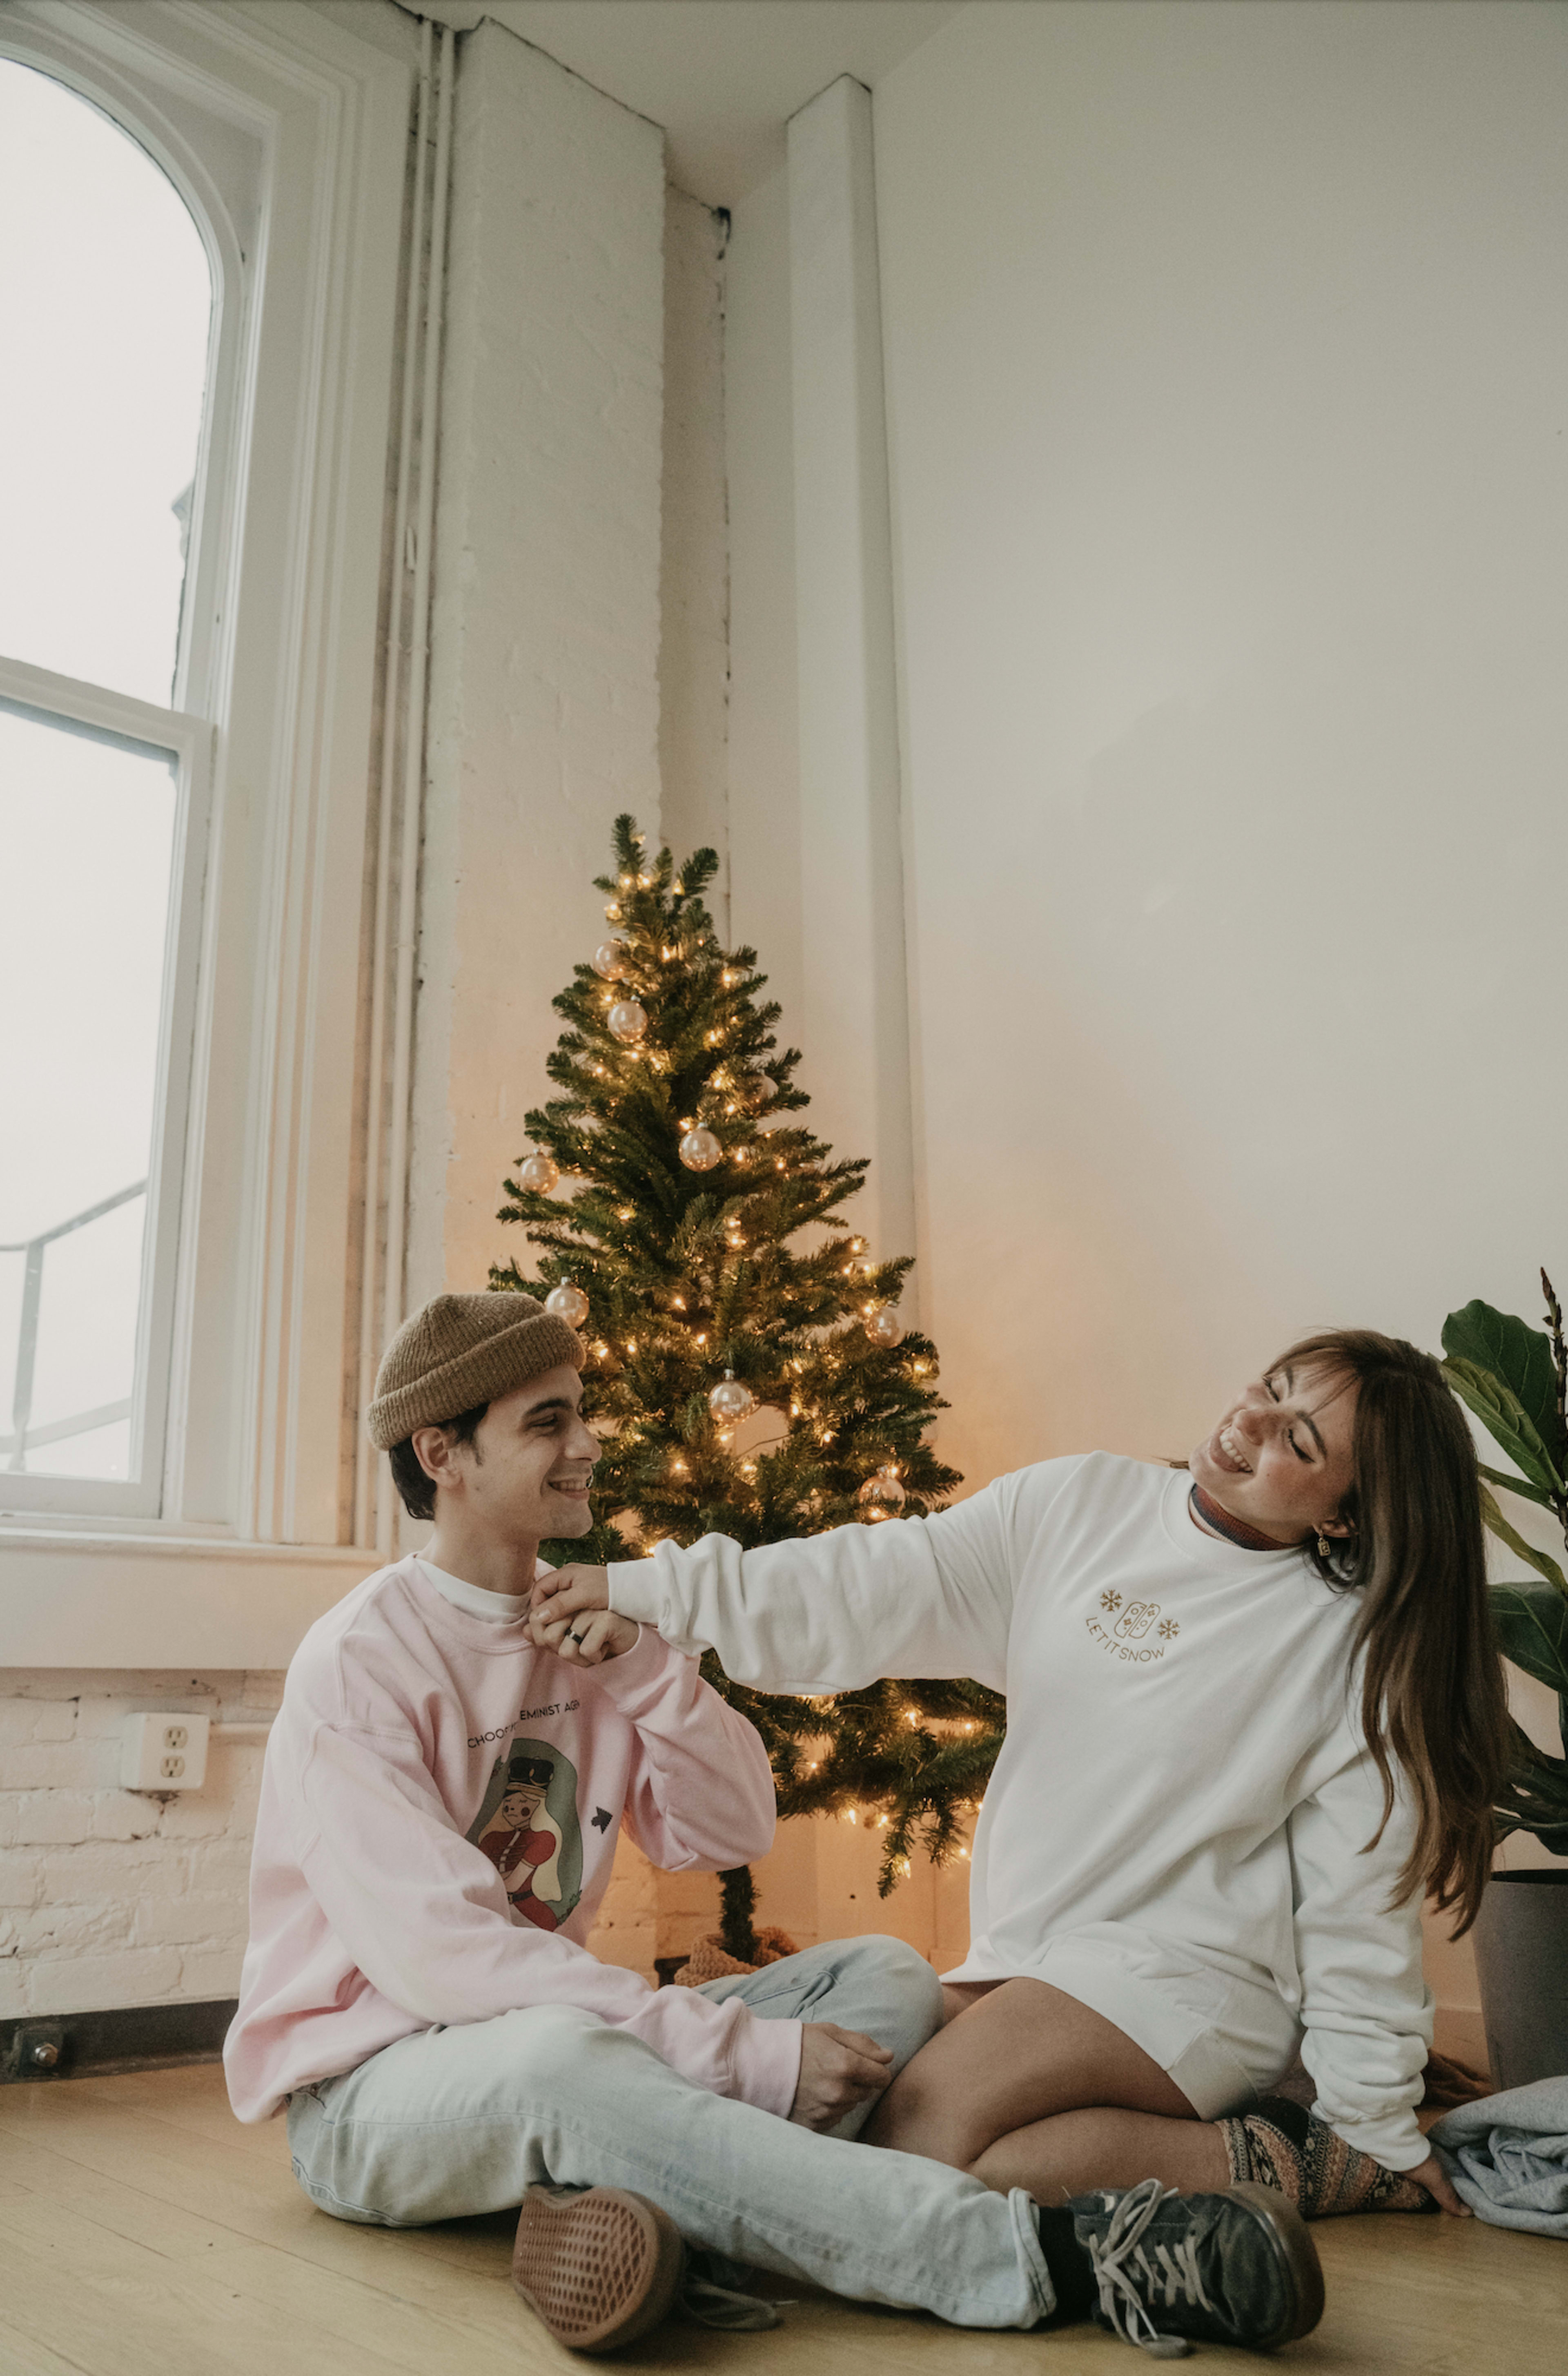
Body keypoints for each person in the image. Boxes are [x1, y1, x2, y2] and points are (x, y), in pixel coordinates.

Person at [225, 1291, 1326, 2359]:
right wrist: (739, 2050)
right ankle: (1063, 2259)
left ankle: (651, 2209)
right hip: (376, 2092)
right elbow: (450, 1966)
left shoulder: (591, 1620)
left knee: (887, 1979)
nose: (588, 1445)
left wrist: (654, 1671)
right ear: (441, 1455)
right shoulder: (361, 1662)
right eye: (547, 1422)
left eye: (582, 1411)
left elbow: (732, 1828)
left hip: (545, 2039)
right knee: (560, 2060)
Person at [534, 1330, 1511, 2232]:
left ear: (1346, 1513)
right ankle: (650, 2202)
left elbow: (1357, 1910)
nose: (1249, 1421)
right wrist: (646, 1591)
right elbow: (871, 1579)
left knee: (915, 2138)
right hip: (1030, 1954)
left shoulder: (1355, 1655)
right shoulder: (1083, 1504)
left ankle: (1314, 2162)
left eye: (1296, 1439)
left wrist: (1375, 2120)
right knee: (879, 2111)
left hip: (1192, 1980)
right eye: (1270, 1387)